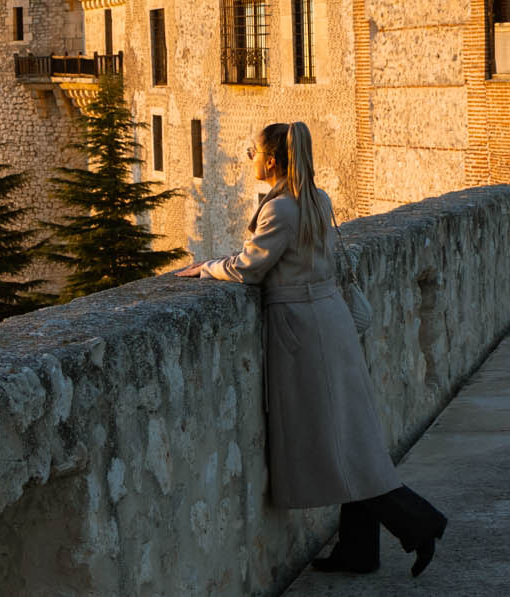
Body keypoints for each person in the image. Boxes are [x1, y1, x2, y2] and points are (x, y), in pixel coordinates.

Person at [177, 121, 448, 577]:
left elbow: (249, 268)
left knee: (338, 445)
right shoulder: (316, 199)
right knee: (350, 441)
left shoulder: (281, 209)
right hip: (329, 321)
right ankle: (359, 552)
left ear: (272, 160)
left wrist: (207, 267)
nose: (250, 160)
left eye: (253, 153)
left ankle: (421, 523)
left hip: (304, 332)